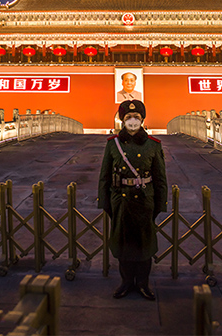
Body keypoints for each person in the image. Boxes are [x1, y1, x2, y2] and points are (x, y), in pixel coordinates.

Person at [98, 100, 167, 300]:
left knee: (145, 245)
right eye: (128, 117)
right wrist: (105, 203)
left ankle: (143, 284)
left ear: (143, 119)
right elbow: (104, 176)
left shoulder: (153, 145)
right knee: (124, 245)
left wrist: (160, 204)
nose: (133, 120)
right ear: (122, 120)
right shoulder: (113, 144)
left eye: (136, 117)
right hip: (121, 201)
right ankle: (126, 282)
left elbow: (160, 178)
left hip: (145, 202)